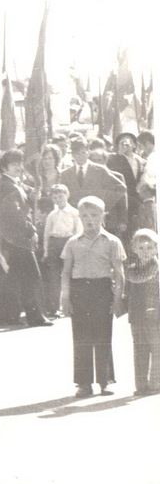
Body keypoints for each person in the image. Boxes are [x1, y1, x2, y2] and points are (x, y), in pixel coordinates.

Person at [60, 196, 127, 397]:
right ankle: (83, 383)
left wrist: (118, 299)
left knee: (103, 335)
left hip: (102, 290)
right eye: (85, 216)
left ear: (103, 216)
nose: (90, 220)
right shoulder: (72, 242)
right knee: (81, 337)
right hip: (79, 290)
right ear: (79, 217)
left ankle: (105, 381)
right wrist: (65, 298)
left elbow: (119, 273)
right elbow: (66, 272)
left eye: (95, 215)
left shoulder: (112, 241)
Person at [0, 149, 50, 327]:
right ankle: (35, 317)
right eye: (14, 164)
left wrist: (31, 195)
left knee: (14, 278)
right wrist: (31, 229)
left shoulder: (11, 183)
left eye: (20, 163)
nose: (19, 167)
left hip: (13, 238)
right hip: (17, 238)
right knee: (31, 277)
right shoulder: (7, 186)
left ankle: (6, 316)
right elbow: (15, 213)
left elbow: (23, 199)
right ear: (4, 167)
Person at [60, 137, 128, 241]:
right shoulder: (65, 174)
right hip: (74, 218)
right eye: (77, 154)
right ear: (72, 155)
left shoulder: (99, 170)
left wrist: (103, 206)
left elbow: (120, 188)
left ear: (88, 153)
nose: (81, 156)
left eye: (83, 153)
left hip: (95, 217)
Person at [119, 228, 159, 396]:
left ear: (156, 249)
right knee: (140, 349)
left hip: (153, 313)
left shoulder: (154, 266)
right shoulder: (133, 267)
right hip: (137, 314)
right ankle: (141, 385)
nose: (145, 251)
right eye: (141, 248)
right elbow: (128, 289)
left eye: (149, 247)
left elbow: (139, 278)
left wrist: (125, 272)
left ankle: (155, 383)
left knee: (156, 349)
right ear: (134, 249)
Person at [42, 183, 80, 318]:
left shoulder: (74, 213)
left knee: (69, 274)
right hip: (54, 244)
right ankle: (54, 308)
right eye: (55, 198)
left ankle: (71, 306)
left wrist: (76, 249)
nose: (58, 199)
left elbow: (78, 231)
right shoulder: (52, 215)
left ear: (67, 195)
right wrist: (46, 251)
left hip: (68, 242)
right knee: (54, 276)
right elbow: (47, 234)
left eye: (60, 196)